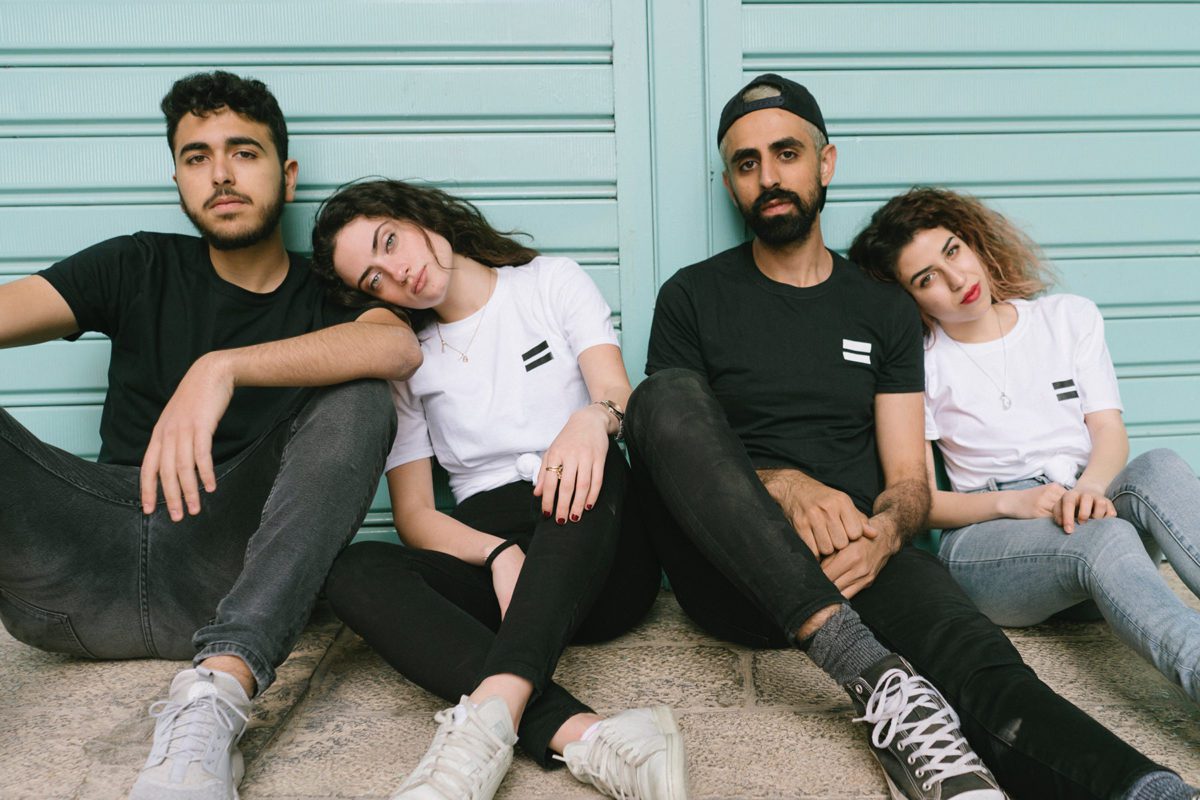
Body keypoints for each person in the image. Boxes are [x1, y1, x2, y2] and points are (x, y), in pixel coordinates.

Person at [622, 73, 1198, 800]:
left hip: (862, 557)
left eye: (786, 153)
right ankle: (866, 669)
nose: (769, 177)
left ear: (825, 162)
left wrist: (887, 533)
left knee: (988, 669)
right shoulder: (692, 294)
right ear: (732, 183)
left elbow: (907, 481)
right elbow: (671, 441)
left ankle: (1146, 790)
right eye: (746, 163)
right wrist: (787, 486)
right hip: (732, 573)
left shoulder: (882, 308)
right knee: (661, 395)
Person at [0, 72, 421, 800]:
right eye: (197, 158)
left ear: (287, 176)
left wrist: (220, 368)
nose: (221, 174)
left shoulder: (329, 293)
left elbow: (397, 347)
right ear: (178, 180)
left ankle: (217, 694)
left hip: (225, 577)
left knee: (362, 395)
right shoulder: (136, 263)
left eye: (243, 152)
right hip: (77, 564)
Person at [308, 179, 684, 800]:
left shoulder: (549, 283)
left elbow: (616, 391)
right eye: (374, 279)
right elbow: (414, 515)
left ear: (418, 215)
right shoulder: (407, 360)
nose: (397, 273)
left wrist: (592, 420)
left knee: (585, 461)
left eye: (389, 241)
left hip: (598, 549)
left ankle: (482, 733)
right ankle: (589, 736)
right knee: (354, 569)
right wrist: (498, 554)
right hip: (496, 569)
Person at [849, 186, 1200, 704]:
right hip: (992, 544)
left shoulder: (1067, 318)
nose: (957, 279)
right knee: (1103, 536)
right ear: (910, 299)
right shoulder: (919, 363)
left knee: (1160, 466)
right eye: (927, 279)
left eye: (953, 251)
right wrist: (1013, 502)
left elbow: (1108, 431)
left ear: (972, 241)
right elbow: (920, 502)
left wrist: (1090, 489)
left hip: (1084, 505)